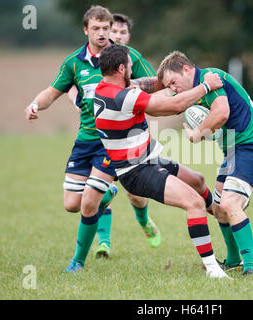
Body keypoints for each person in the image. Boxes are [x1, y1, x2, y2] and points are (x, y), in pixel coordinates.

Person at [24, 5, 163, 272]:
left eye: (106, 28)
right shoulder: (74, 62)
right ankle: (109, 193)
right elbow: (52, 92)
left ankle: (77, 262)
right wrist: (35, 105)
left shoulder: (128, 56)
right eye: (96, 28)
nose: (102, 33)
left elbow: (155, 82)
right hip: (85, 139)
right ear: (86, 29)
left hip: (115, 140)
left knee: (105, 199)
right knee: (71, 205)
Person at [94, 44, 230, 279]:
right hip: (136, 172)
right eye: (129, 66)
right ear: (121, 68)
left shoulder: (105, 88)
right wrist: (206, 86)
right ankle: (212, 269)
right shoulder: (124, 96)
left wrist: (173, 79)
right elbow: (174, 106)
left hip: (148, 159)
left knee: (198, 181)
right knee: (194, 203)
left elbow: (150, 84)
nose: (132, 70)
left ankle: (222, 217)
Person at [157, 51, 253, 277]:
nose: (174, 88)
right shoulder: (197, 91)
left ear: (187, 69)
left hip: (252, 146)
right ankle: (233, 259)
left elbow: (221, 113)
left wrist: (197, 134)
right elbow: (166, 104)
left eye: (173, 82)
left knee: (230, 204)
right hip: (233, 151)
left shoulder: (210, 77)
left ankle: (250, 267)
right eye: (169, 86)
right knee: (219, 210)